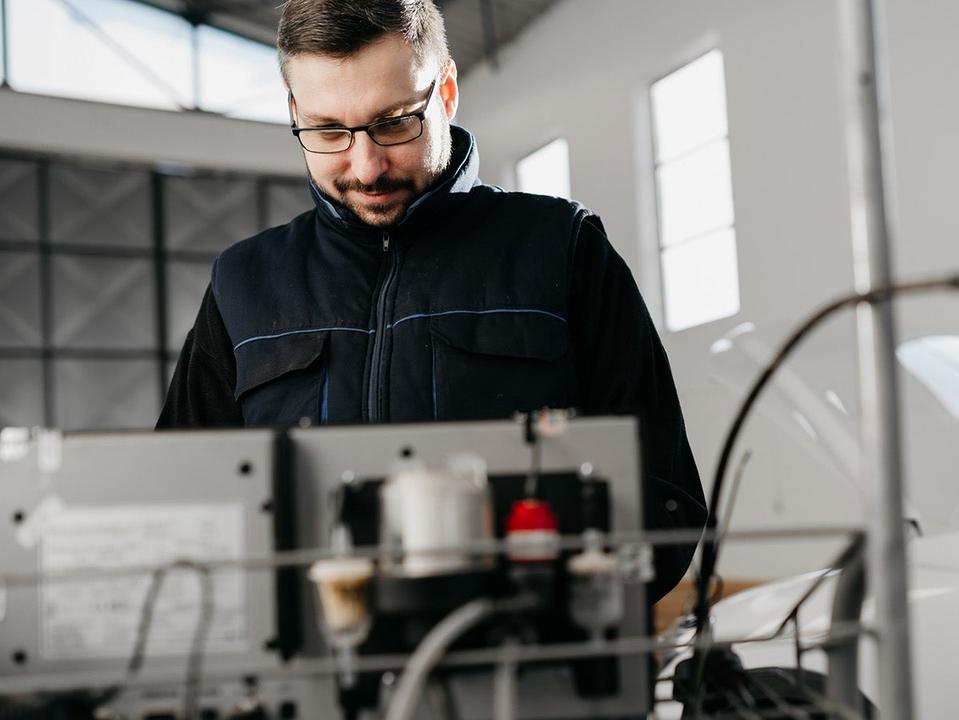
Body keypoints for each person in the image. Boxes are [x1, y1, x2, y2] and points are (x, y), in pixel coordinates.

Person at [157, 0, 706, 601]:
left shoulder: (562, 250)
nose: (366, 167)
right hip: (305, 674)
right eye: (328, 130)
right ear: (294, 110)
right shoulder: (245, 282)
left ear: (445, 90)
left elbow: (664, 497)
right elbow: (176, 505)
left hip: (521, 669)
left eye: (394, 123)